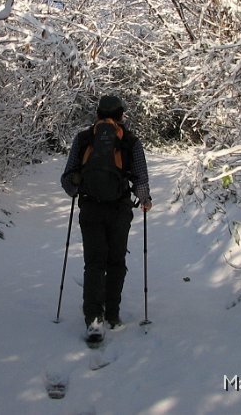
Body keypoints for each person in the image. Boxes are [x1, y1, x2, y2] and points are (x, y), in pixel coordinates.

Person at [60, 95, 152, 340]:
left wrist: (77, 186)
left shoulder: (83, 139)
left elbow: (68, 180)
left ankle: (93, 318)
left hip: (90, 208)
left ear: (97, 114)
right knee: (116, 261)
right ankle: (112, 313)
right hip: (119, 210)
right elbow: (141, 178)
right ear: (121, 115)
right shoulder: (131, 141)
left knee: (94, 262)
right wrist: (145, 200)